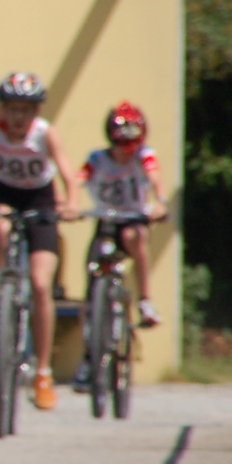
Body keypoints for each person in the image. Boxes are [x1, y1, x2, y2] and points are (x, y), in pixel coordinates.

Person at [0, 71, 80, 410]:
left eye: (27, 110)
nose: (20, 117)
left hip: (40, 199)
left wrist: (71, 203)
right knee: (1, 231)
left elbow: (68, 175)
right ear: (1, 109)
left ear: (36, 111)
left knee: (40, 284)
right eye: (13, 109)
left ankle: (43, 372)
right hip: (3, 194)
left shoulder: (45, 133)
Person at [71, 103, 167, 389]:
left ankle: (145, 300)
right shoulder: (97, 159)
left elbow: (155, 180)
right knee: (91, 283)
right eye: (121, 142)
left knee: (134, 238)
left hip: (133, 218)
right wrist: (70, 204)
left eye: (131, 142)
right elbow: (78, 179)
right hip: (106, 220)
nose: (126, 150)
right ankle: (88, 357)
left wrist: (160, 203)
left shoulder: (145, 156)